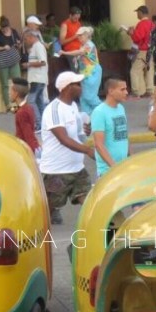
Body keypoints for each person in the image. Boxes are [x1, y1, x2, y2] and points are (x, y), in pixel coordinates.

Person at [39, 70, 95, 225]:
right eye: (77, 84)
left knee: (89, 201)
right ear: (67, 87)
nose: (81, 87)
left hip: (77, 168)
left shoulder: (73, 106)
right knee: (46, 211)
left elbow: (77, 135)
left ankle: (98, 228)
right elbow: (63, 139)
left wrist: (85, 131)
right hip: (57, 172)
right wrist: (87, 150)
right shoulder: (54, 110)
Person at [90, 77, 130, 176]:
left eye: (126, 89)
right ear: (111, 91)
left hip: (123, 168)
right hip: (108, 171)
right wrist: (114, 167)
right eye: (122, 89)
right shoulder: (99, 112)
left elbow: (124, 136)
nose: (126, 92)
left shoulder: (121, 108)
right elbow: (98, 144)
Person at [0, 16, 23, 109]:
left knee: (18, 81)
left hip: (13, 59)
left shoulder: (14, 32)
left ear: (9, 26)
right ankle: (8, 105)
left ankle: (19, 103)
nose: (4, 30)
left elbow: (19, 45)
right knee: (5, 84)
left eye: (6, 28)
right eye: (2, 28)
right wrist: (3, 47)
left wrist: (18, 44)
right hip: (1, 60)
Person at [122, 5, 153, 98]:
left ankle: (136, 91)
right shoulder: (151, 24)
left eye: (137, 13)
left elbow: (137, 38)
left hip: (141, 50)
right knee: (148, 71)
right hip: (150, 50)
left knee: (135, 71)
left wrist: (130, 33)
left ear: (141, 13)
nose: (137, 14)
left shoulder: (142, 24)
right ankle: (149, 90)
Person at [21, 27, 49, 121]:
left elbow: (43, 62)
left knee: (30, 101)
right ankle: (43, 121)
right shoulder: (34, 47)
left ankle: (38, 122)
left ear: (31, 37)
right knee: (39, 101)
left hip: (37, 78)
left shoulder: (38, 46)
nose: (25, 41)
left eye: (26, 39)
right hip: (37, 79)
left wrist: (28, 64)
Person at [75, 25, 103, 115]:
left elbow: (80, 52)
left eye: (81, 35)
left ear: (86, 35)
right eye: (78, 36)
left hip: (92, 73)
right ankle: (87, 117)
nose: (79, 38)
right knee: (83, 98)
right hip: (85, 74)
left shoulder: (89, 45)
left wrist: (64, 52)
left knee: (89, 97)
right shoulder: (83, 45)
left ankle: (104, 111)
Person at [10, 77, 40, 157]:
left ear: (16, 93)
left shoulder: (22, 112)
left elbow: (28, 135)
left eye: (11, 91)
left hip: (24, 151)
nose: (9, 93)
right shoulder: (27, 107)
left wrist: (36, 153)